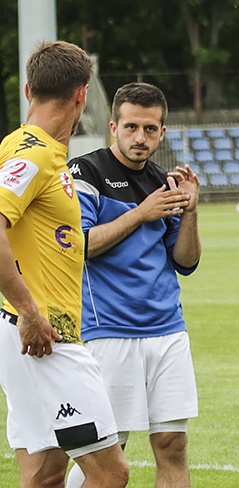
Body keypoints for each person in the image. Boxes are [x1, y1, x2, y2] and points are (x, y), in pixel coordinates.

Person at [0, 41, 129, 487]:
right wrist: (30, 311)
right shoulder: (33, 152)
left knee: (45, 472)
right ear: (82, 95)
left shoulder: (33, 150)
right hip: (45, 334)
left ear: (27, 90)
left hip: (23, 328)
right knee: (110, 474)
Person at [65, 82, 201, 488]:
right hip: (109, 331)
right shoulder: (85, 172)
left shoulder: (166, 182)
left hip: (167, 330)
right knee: (108, 452)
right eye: (131, 127)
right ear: (113, 127)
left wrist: (190, 211)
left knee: (172, 444)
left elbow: (186, 262)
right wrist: (141, 213)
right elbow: (81, 247)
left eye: (150, 129)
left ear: (162, 132)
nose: (140, 137)